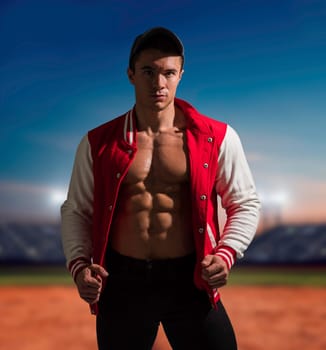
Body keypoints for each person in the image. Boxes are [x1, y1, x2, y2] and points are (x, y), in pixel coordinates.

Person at [61, 27, 260, 350]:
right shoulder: (98, 143)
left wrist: (225, 254)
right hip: (122, 282)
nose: (159, 83)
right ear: (131, 74)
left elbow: (245, 202)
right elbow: (76, 209)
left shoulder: (217, 137)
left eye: (168, 72)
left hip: (189, 279)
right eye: (148, 71)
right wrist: (80, 265)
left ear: (181, 74)